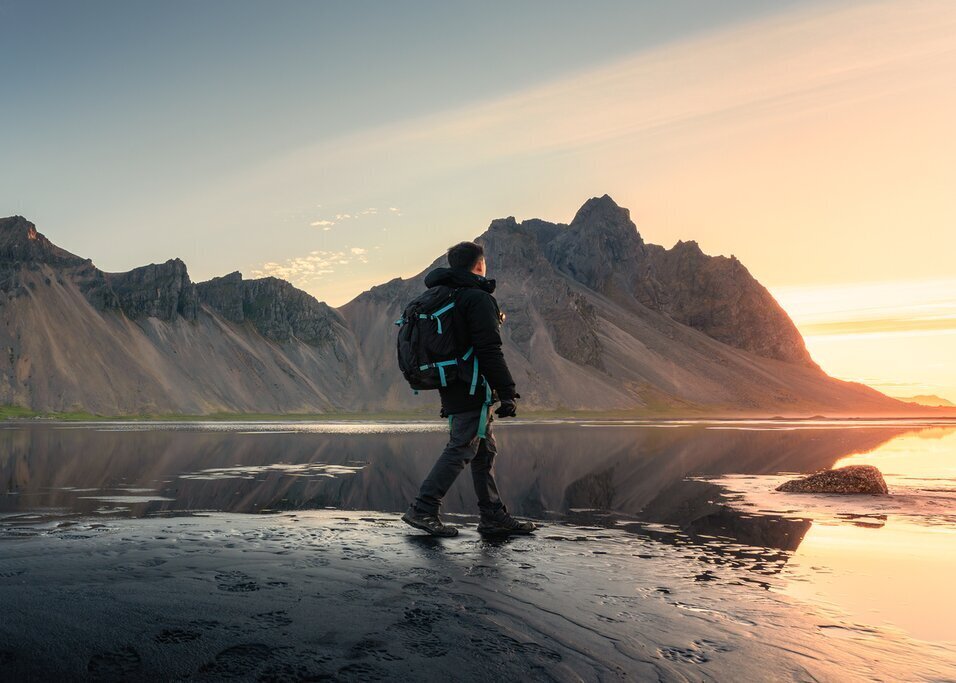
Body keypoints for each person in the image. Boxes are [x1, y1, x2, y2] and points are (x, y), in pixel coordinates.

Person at [401, 241, 537, 537]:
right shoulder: (476, 298)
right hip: (471, 385)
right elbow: (489, 349)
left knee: (483, 449)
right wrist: (507, 391)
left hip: (453, 382)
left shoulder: (440, 295)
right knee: (463, 446)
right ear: (479, 265)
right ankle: (423, 508)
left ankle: (492, 515)